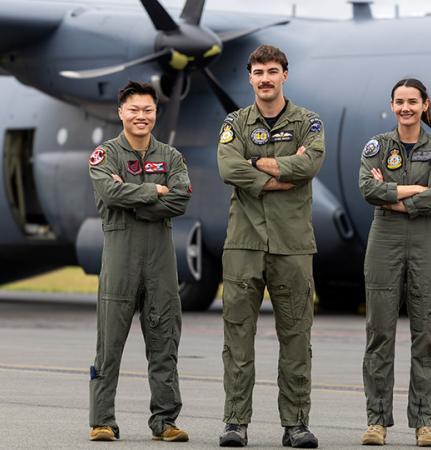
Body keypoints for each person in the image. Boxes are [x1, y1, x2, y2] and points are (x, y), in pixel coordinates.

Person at [216, 44, 325, 448]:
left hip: (293, 244)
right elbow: (228, 166)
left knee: (296, 337)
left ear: (284, 75)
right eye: (258, 71)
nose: (265, 78)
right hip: (244, 243)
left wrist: (255, 163)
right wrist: (277, 173)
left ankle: (296, 425)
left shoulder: (308, 123)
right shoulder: (235, 123)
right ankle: (235, 422)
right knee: (238, 336)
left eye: (272, 71)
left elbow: (309, 164)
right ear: (250, 77)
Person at [87, 81, 192, 442]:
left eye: (148, 110)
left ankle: (165, 421)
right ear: (121, 112)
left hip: (160, 258)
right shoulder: (106, 155)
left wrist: (133, 198)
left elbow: (179, 200)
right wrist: (152, 190)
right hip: (120, 254)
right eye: (134, 110)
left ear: (155, 113)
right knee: (110, 341)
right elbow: (108, 191)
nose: (141, 116)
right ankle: (102, 420)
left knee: (165, 340)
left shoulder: (172, 157)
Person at [357, 78, 431, 447]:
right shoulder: (377, 146)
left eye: (412, 102)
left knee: (427, 335)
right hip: (384, 239)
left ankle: (425, 423)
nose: (405, 108)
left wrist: (395, 197)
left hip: (426, 240)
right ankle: (377, 421)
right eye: (399, 102)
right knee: (379, 333)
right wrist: (415, 189)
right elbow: (367, 188)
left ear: (425, 104)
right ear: (392, 105)